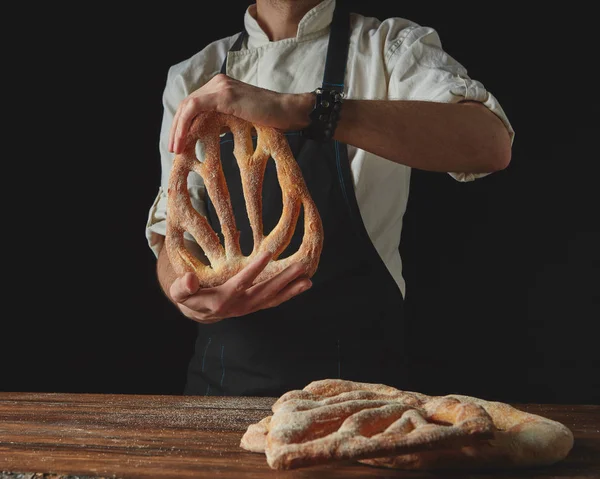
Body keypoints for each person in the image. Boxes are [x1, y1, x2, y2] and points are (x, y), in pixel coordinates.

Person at [145, 0, 514, 397]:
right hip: (218, 391)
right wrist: (182, 292)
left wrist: (306, 110)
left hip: (360, 396)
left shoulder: (389, 49)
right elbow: (175, 228)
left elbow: (489, 144)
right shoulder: (195, 75)